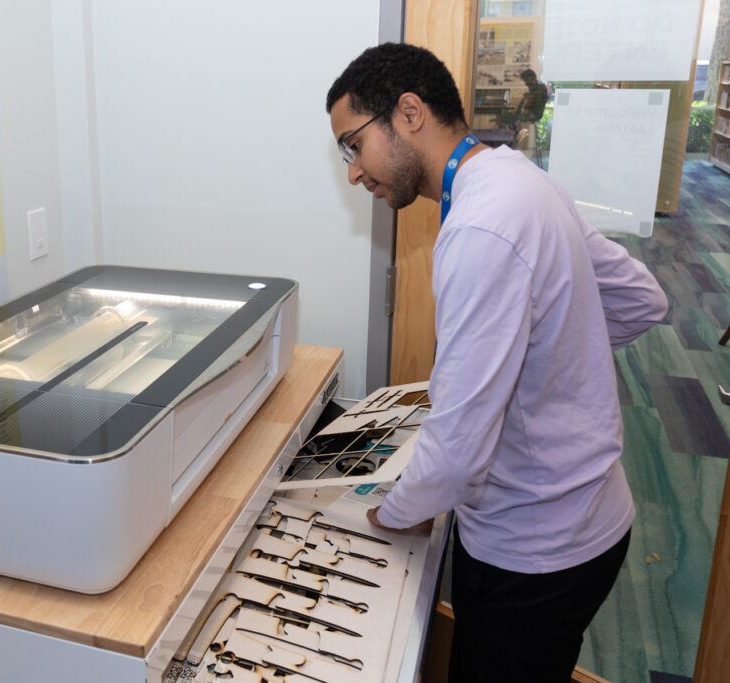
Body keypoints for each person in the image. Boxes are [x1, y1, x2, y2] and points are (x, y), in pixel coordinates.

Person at [326, 43, 667, 682]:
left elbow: (455, 450)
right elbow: (642, 299)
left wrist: (389, 512)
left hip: (537, 544)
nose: (353, 172)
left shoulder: (482, 225)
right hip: (588, 516)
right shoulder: (519, 180)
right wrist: (554, 363)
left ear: (407, 113)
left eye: (353, 145)